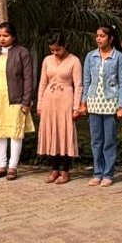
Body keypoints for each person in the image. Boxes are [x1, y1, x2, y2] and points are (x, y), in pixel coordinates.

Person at [0, 22, 36, 181]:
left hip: (16, 99)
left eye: (6, 35)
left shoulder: (22, 52)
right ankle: (1, 166)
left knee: (16, 133)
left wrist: (26, 101)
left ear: (13, 37)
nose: (2, 39)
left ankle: (12, 167)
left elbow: (28, 78)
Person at [81, 25, 122, 187]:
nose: (98, 39)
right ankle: (97, 173)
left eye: (102, 36)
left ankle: (108, 174)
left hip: (111, 103)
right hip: (94, 102)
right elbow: (86, 80)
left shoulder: (118, 57)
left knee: (109, 141)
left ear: (110, 38)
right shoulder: (91, 56)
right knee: (96, 141)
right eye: (97, 36)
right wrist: (83, 102)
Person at [37, 34, 83, 184]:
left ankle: (65, 171)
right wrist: (39, 104)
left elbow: (78, 85)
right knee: (52, 134)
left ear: (65, 45)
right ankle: (54, 169)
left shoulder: (74, 61)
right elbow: (43, 83)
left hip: (66, 100)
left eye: (58, 49)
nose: (55, 53)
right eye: (52, 50)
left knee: (64, 134)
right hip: (49, 101)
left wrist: (76, 107)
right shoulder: (47, 60)